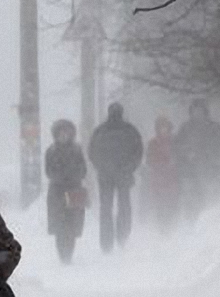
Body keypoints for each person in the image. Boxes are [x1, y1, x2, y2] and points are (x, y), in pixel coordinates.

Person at [87, 103, 143, 253]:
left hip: (108, 175)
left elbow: (92, 153)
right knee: (122, 206)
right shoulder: (129, 130)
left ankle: (108, 242)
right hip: (119, 174)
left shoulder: (101, 131)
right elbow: (138, 152)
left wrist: (103, 167)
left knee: (108, 208)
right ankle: (121, 237)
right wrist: (129, 168)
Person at [45, 119, 88, 263]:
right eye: (60, 133)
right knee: (59, 225)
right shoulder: (51, 151)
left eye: (66, 133)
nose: (63, 136)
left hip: (74, 191)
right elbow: (48, 171)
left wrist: (74, 178)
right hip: (56, 192)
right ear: (56, 134)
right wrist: (60, 179)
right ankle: (62, 254)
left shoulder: (77, 150)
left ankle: (69, 253)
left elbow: (83, 169)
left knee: (72, 224)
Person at [173, 99, 220, 223]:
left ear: (205, 111)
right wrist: (186, 153)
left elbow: (217, 147)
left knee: (210, 199)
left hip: (211, 170)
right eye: (194, 110)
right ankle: (191, 226)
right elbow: (177, 146)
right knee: (191, 200)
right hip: (190, 171)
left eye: (200, 110)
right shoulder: (185, 127)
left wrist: (211, 157)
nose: (197, 113)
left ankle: (209, 226)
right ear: (191, 112)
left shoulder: (215, 128)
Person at [144, 116, 179, 233]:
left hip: (172, 178)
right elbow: (149, 160)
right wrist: (160, 165)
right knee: (160, 204)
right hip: (158, 178)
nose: (163, 130)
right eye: (161, 127)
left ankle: (171, 226)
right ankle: (162, 227)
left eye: (165, 127)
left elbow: (180, 157)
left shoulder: (175, 142)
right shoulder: (153, 143)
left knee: (172, 202)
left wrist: (174, 163)